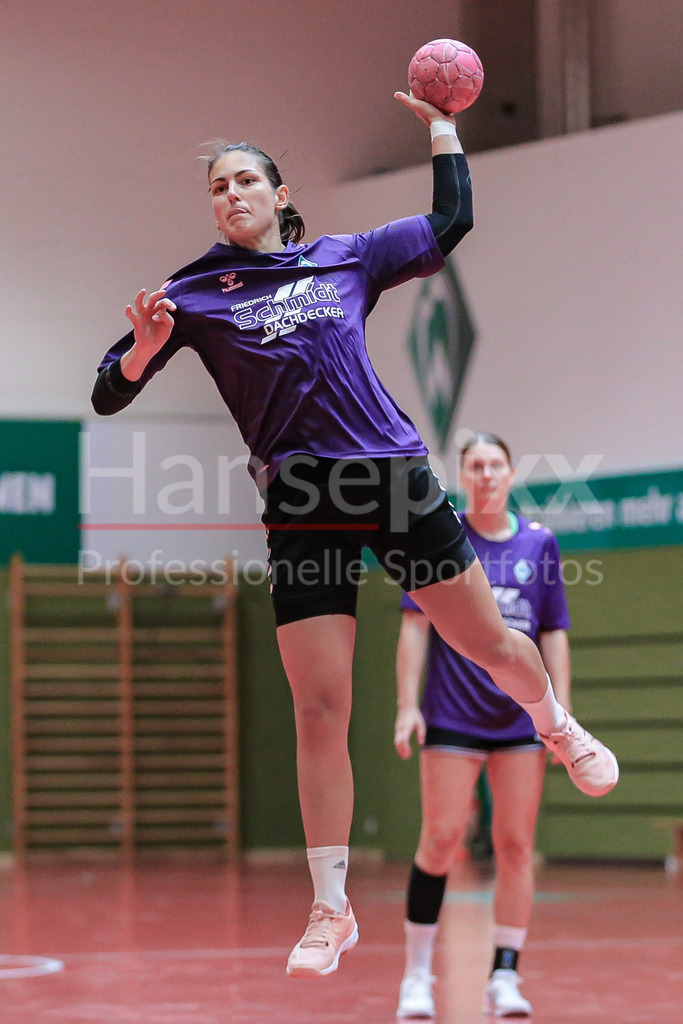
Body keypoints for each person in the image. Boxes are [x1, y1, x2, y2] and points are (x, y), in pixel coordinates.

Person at [91, 91, 618, 980]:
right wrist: (142, 351)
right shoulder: (193, 292)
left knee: (489, 643)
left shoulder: (343, 259)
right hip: (300, 504)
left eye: (245, 177)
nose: (230, 193)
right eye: (218, 185)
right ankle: (330, 909)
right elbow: (109, 388)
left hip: (393, 478)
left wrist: (442, 126)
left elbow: (453, 219)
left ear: (278, 189)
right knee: (318, 707)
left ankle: (555, 726)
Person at [394, 433, 574, 1018]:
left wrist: (561, 718)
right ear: (464, 477)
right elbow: (415, 627)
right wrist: (406, 705)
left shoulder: (540, 544)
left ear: (512, 474)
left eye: (497, 465)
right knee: (441, 838)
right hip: (453, 712)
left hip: (520, 718)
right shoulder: (443, 539)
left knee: (516, 844)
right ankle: (417, 975)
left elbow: (553, 634)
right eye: (477, 466)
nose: (488, 475)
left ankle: (505, 974)